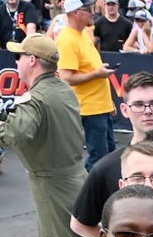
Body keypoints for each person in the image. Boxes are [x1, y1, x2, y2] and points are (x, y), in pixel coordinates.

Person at [0, 33, 88, 237]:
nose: (16, 62)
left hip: (52, 185)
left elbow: (15, 134)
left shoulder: (35, 98)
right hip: (75, 178)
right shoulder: (63, 89)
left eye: (19, 57)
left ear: (32, 61)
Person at [70, 72, 153, 237]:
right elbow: (79, 223)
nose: (147, 111)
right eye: (138, 105)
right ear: (124, 110)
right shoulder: (107, 167)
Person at [56, 0, 116, 172]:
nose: (93, 12)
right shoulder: (67, 40)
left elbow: (91, 68)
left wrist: (108, 102)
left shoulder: (82, 34)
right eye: (88, 9)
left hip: (100, 106)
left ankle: (95, 193)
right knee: (99, 159)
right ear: (75, 12)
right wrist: (97, 74)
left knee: (109, 155)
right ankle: (86, 194)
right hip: (89, 108)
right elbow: (67, 77)